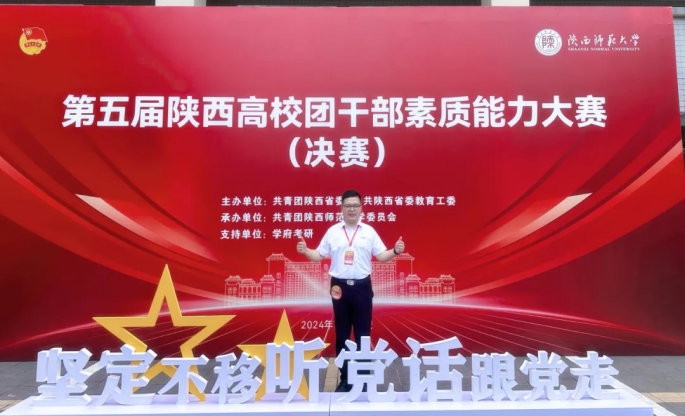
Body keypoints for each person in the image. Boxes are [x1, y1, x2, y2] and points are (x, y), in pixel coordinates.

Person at [296, 189, 405, 392]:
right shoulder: (333, 232)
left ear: (361, 208)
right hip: (339, 287)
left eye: (355, 205)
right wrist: (306, 251)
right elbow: (318, 255)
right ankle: (346, 378)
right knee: (342, 334)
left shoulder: (369, 232)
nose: (352, 209)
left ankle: (362, 379)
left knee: (363, 334)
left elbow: (381, 256)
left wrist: (396, 251)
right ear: (342, 208)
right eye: (348, 206)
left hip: (362, 287)